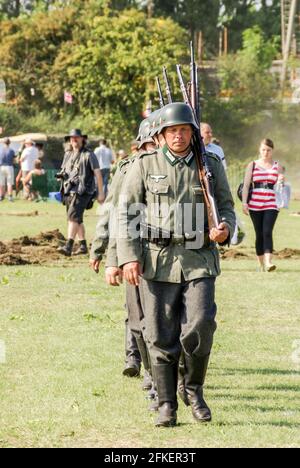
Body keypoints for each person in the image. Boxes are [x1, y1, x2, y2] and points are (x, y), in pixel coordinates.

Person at [118, 103, 236, 427]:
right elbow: (128, 211)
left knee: (200, 325)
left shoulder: (209, 164)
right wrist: (128, 257)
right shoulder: (144, 164)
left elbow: (226, 206)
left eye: (185, 130)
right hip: (157, 260)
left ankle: (193, 390)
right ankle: (166, 403)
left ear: (193, 133)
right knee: (158, 335)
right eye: (173, 131)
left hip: (199, 257)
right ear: (162, 134)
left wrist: (224, 228)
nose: (179, 136)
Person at [90, 117, 157, 388]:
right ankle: (135, 359)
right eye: (150, 143)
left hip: (160, 247)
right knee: (136, 310)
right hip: (130, 244)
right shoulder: (127, 168)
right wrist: (103, 251)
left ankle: (159, 367)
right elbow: (112, 211)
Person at [57, 129, 105, 257]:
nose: (74, 140)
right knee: (76, 219)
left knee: (72, 217)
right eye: (72, 138)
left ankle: (68, 246)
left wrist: (101, 193)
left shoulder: (89, 155)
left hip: (83, 191)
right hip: (69, 190)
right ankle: (83, 245)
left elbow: (98, 174)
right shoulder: (67, 154)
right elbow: (64, 170)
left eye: (77, 138)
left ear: (82, 139)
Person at [242, 138, 284, 272]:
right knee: (259, 233)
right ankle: (260, 264)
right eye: (263, 150)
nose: (266, 152)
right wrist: (244, 203)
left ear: (272, 151)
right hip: (254, 204)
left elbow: (281, 186)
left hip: (271, 203)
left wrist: (282, 180)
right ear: (259, 150)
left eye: (269, 150)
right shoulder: (252, 165)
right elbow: (246, 185)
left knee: (267, 231)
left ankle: (268, 262)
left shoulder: (278, 166)